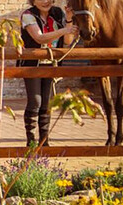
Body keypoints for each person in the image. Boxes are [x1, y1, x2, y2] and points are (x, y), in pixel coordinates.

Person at [19, 0, 78, 146]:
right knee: (35, 102)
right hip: (32, 64)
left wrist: (69, 19)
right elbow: (39, 37)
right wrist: (64, 30)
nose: (45, 1)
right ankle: (31, 140)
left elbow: (67, 41)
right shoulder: (27, 15)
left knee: (46, 103)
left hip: (51, 64)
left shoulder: (58, 13)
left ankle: (44, 141)